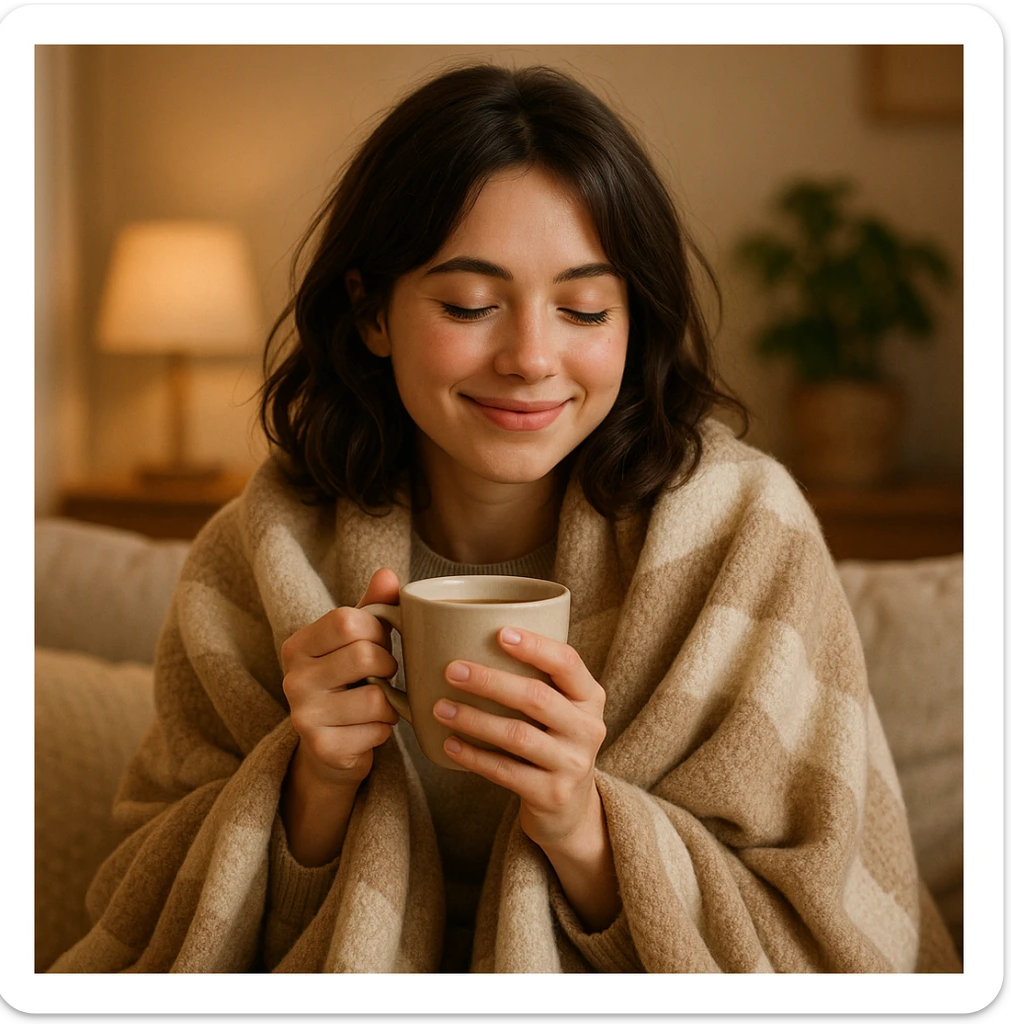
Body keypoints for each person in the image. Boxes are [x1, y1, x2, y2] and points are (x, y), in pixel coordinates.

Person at [50, 63, 960, 974]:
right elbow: (153, 915)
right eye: (470, 305)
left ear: (633, 321)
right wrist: (311, 784)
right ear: (371, 312)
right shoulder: (256, 556)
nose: (530, 357)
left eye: (584, 308)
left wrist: (582, 823)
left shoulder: (745, 538)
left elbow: (836, 935)